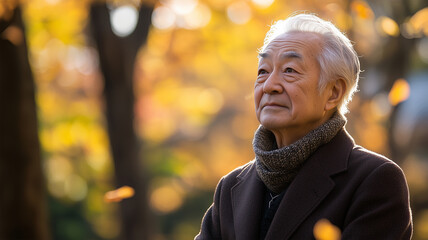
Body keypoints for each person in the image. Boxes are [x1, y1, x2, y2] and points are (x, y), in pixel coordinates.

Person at [195, 13, 412, 240]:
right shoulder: (230, 187)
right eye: (263, 71)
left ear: (333, 92)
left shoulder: (374, 180)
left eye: (290, 70)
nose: (269, 86)